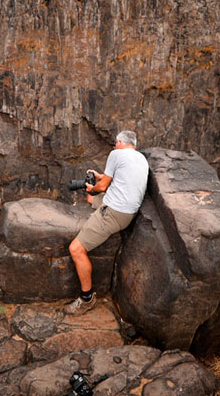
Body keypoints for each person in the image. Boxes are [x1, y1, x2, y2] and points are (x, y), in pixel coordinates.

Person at [64, 130, 149, 315]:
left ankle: (87, 299)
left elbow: (102, 187)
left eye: (115, 143)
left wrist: (93, 187)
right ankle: (91, 194)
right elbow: (115, 179)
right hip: (128, 210)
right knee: (90, 199)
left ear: (119, 142)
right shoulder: (140, 158)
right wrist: (98, 177)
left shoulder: (116, 154)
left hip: (114, 213)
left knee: (76, 249)